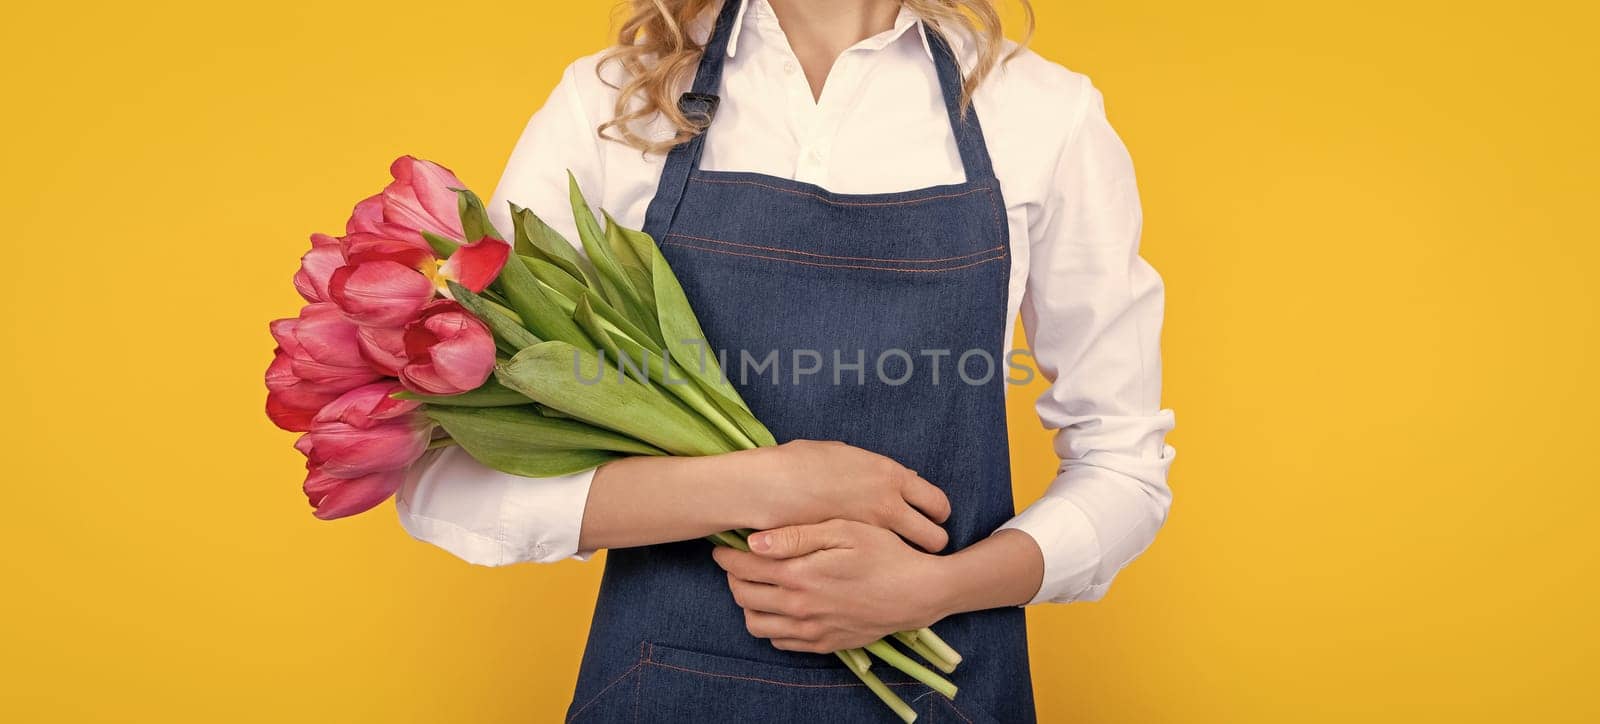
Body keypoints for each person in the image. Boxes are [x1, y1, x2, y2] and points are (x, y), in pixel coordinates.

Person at [397, 1, 1175, 720]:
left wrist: (935, 588)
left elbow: (1124, 467)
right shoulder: (615, 103)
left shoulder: (1042, 112)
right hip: (662, 688)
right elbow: (452, 474)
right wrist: (764, 484)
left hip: (948, 693)